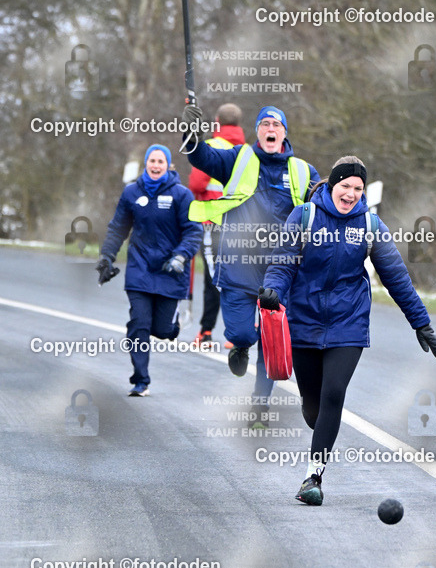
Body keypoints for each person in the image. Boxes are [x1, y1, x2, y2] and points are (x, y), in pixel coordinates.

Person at [261, 157, 436, 505]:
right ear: (333, 185)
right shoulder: (304, 217)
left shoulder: (370, 225)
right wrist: (273, 289)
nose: (351, 193)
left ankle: (312, 478)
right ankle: (316, 423)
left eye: (358, 189)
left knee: (334, 393)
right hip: (304, 319)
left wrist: (421, 322)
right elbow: (283, 263)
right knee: (314, 409)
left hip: (349, 321)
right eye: (346, 186)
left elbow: (396, 277)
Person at [182, 104, 319, 427]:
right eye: (265, 124)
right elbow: (201, 158)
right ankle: (240, 346)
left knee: (272, 343)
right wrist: (191, 134)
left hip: (280, 271)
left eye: (277, 124)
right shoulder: (238, 158)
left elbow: (321, 203)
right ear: (257, 131)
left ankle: (260, 408)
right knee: (243, 333)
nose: (271, 128)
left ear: (285, 132)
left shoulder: (302, 170)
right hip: (239, 265)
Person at [96, 145, 202, 396]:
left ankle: (171, 326)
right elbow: (118, 228)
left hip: (170, 271)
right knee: (139, 324)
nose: (155, 165)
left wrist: (180, 256)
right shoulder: (132, 192)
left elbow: (193, 231)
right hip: (140, 269)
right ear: (146, 164)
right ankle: (140, 381)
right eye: (152, 161)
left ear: (168, 165)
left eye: (160, 161)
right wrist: (107, 256)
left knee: (163, 330)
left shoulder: (181, 195)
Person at [187, 103, 246, 348]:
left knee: (214, 277)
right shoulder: (247, 152)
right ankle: (242, 327)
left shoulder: (212, 147)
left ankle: (208, 332)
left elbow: (196, 185)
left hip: (213, 223)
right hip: (240, 224)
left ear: (217, 121)